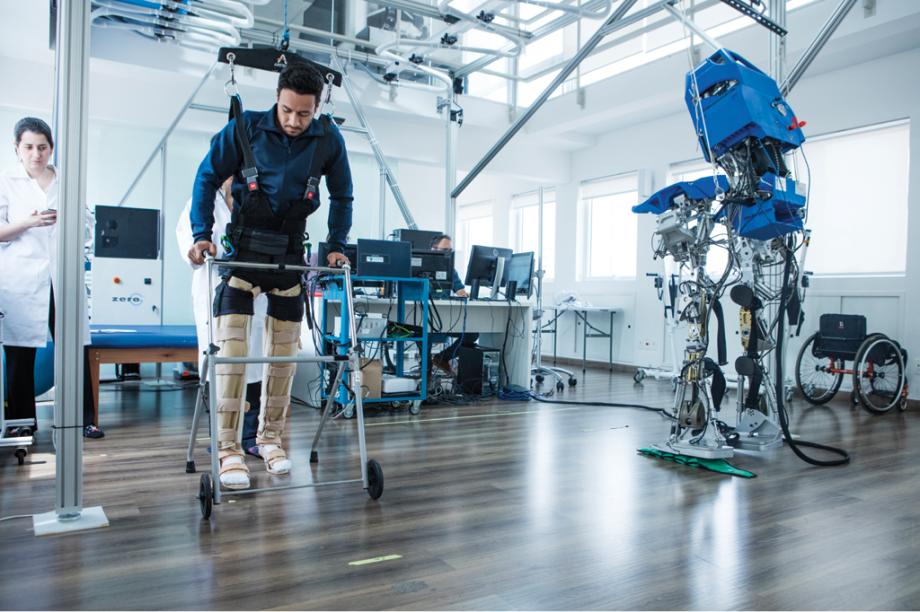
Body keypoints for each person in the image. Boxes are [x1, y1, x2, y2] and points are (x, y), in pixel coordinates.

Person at [188, 62, 354, 490]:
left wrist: (336, 244)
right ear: (277, 98)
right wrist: (201, 235)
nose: (294, 121)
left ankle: (271, 441)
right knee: (232, 356)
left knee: (283, 359)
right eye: (287, 111)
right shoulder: (245, 128)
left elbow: (343, 196)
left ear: (318, 106)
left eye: (304, 113)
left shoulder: (328, 139)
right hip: (243, 255)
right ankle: (227, 450)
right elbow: (206, 178)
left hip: (288, 257)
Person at [0, 117, 103, 439]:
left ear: (51, 149)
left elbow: (88, 228)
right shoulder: (6, 181)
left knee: (74, 349)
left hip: (63, 276)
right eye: (29, 147)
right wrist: (28, 222)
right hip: (21, 279)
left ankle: (84, 418)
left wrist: (68, 219)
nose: (36, 154)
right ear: (17, 148)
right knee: (19, 353)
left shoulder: (66, 181)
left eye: (42, 147)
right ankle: (20, 423)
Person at [176, 175, 268, 457]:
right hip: (215, 288)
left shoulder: (257, 201)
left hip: (253, 291)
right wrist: (197, 252)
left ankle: (250, 436)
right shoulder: (200, 203)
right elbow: (187, 243)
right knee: (219, 365)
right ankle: (222, 437)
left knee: (253, 362)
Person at [428, 233, 478, 374]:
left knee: (472, 334)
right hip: (423, 318)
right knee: (426, 334)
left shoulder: (450, 270)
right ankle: (425, 369)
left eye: (449, 251)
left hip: (445, 318)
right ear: (433, 250)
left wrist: (464, 294)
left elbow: (460, 290)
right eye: (444, 250)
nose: (447, 254)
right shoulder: (420, 268)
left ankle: (443, 357)